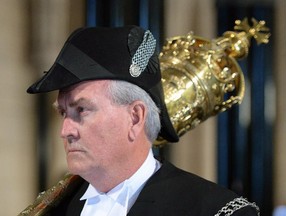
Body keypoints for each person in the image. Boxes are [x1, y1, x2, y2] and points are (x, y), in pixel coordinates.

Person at [27, 26, 260, 216]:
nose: (65, 130)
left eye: (82, 110)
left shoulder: (215, 211)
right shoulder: (55, 208)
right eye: (64, 113)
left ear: (135, 118)